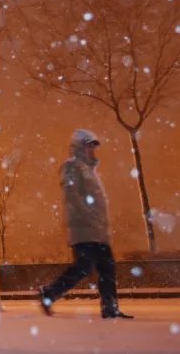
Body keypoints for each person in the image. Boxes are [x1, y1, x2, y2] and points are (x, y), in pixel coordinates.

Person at [38, 128, 133, 319]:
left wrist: (100, 225)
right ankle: (49, 293)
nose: (92, 150)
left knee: (107, 269)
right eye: (89, 146)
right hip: (84, 230)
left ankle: (110, 308)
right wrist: (89, 216)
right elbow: (72, 197)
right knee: (83, 268)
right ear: (80, 147)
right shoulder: (71, 167)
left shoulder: (89, 170)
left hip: (97, 231)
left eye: (93, 147)